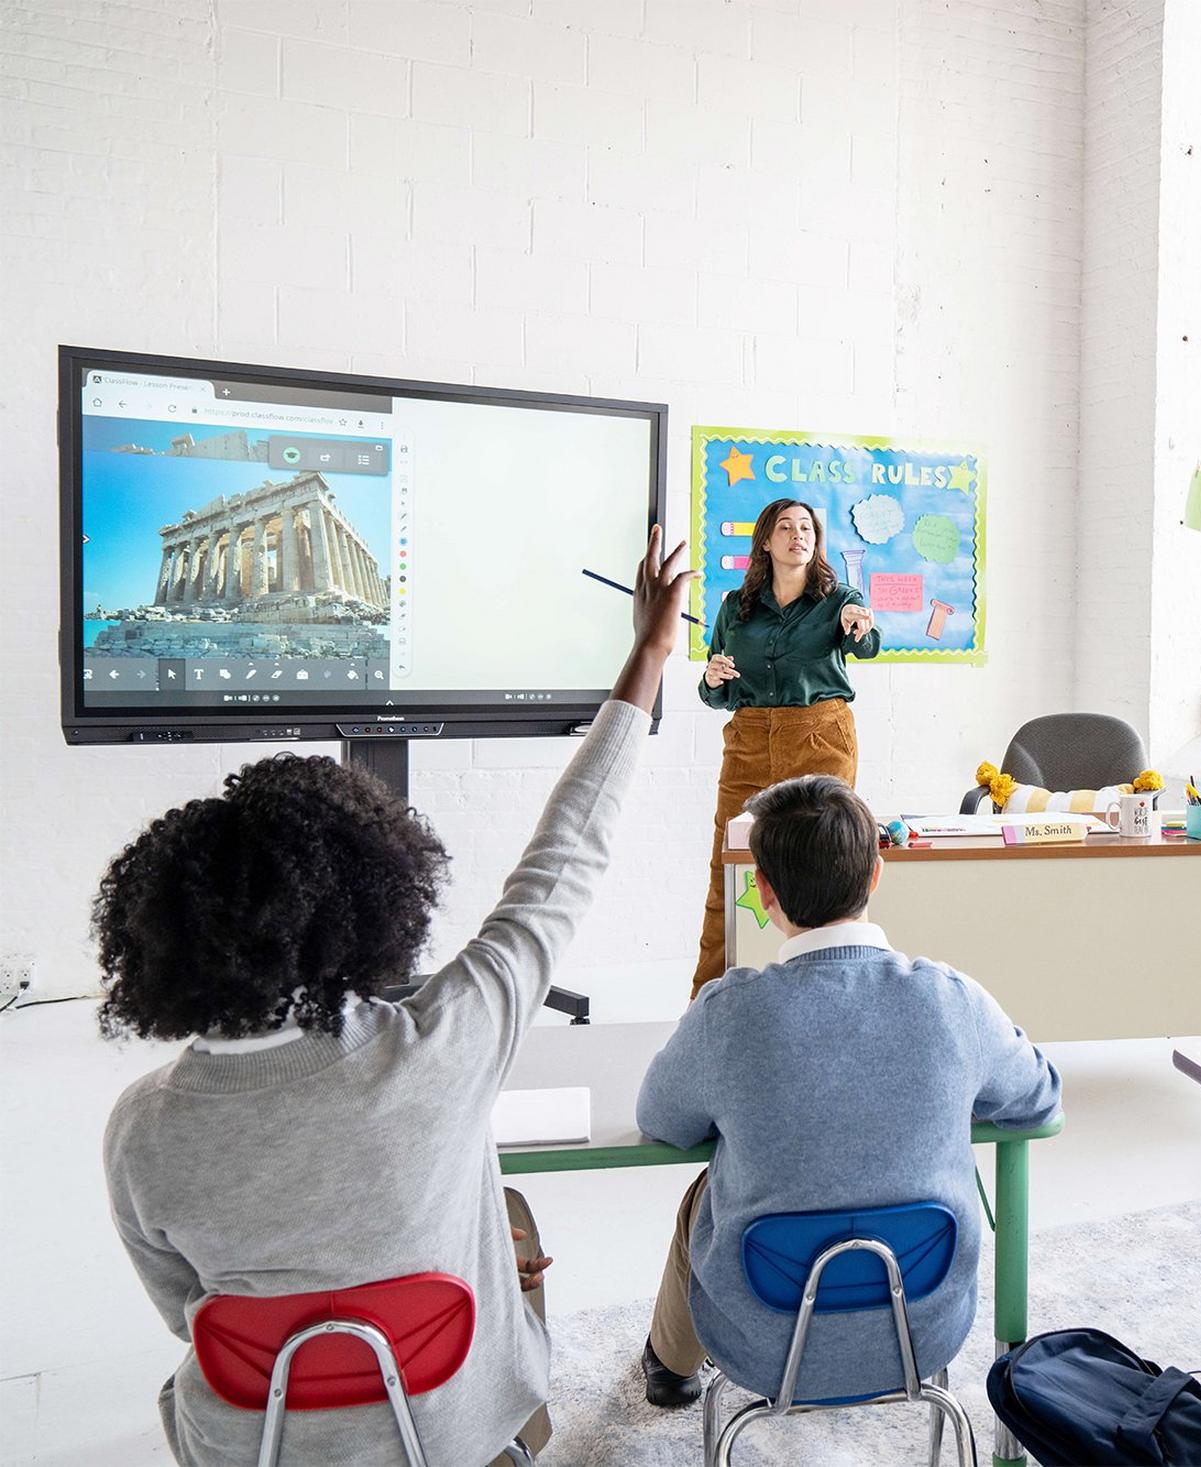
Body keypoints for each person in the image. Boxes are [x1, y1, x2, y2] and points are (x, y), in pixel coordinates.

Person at [99, 527, 695, 1467]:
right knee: (508, 1222)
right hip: (450, 1433)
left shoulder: (141, 1129)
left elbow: (189, 1311)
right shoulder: (442, 1043)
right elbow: (566, 858)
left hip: (254, 1447)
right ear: (370, 902)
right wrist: (651, 652)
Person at [636, 774, 1062, 1408]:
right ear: (876, 876)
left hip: (764, 1342)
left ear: (764, 890)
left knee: (708, 1193)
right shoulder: (952, 1000)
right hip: (924, 1332)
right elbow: (1039, 1097)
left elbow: (660, 1120)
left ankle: (670, 1368)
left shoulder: (728, 1014)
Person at [689, 497, 881, 999]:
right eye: (785, 527)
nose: (798, 535)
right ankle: (707, 1003)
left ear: (816, 541)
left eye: (806, 528)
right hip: (748, 743)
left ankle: (834, 995)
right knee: (727, 872)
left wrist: (860, 627)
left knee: (828, 870)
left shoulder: (840, 600)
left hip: (821, 740)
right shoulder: (736, 607)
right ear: (766, 541)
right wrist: (712, 679)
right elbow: (718, 690)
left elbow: (866, 641)